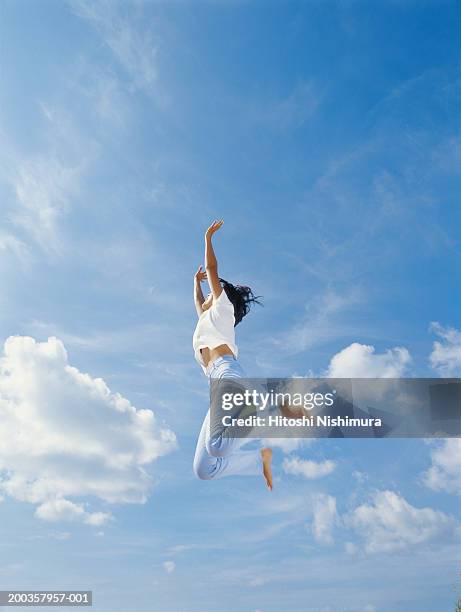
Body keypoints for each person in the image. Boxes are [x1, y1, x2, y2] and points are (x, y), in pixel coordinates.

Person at [192, 219, 273, 490]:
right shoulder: (208, 323)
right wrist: (195, 284)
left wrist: (208, 239)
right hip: (217, 385)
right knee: (204, 468)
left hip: (229, 375)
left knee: (217, 446)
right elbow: (198, 307)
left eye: (210, 294)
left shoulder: (223, 308)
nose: (206, 299)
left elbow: (213, 268)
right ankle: (256, 462)